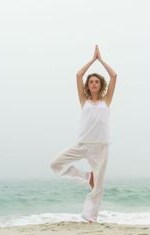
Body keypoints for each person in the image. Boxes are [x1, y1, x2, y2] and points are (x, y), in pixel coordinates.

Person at [50, 44, 117, 223]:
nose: (94, 83)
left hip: (101, 146)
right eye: (91, 81)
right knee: (55, 164)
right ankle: (86, 176)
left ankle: (90, 217)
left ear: (100, 85)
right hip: (83, 144)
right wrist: (92, 60)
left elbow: (114, 76)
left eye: (97, 81)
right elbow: (78, 75)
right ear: (88, 85)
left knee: (99, 186)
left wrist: (101, 60)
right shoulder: (84, 101)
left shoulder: (106, 101)